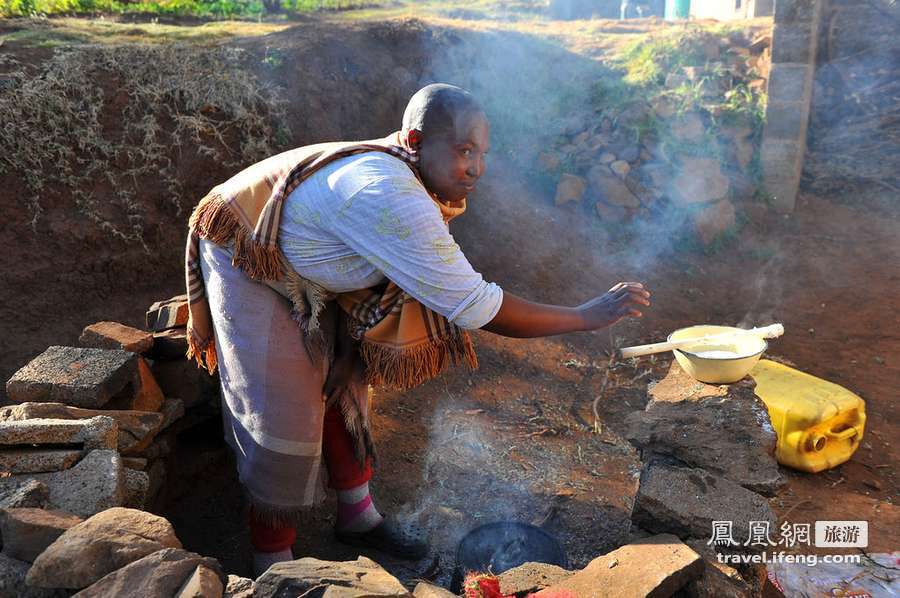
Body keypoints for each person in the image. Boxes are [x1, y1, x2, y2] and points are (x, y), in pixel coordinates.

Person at [184, 83, 650, 575]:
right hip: (249, 251)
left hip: (315, 254)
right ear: (413, 140)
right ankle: (271, 561)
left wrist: (345, 347)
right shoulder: (387, 195)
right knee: (279, 405)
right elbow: (476, 306)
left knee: (344, 381)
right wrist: (585, 316)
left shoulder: (414, 183)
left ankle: (358, 518)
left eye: (482, 154)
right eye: (464, 151)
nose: (475, 168)